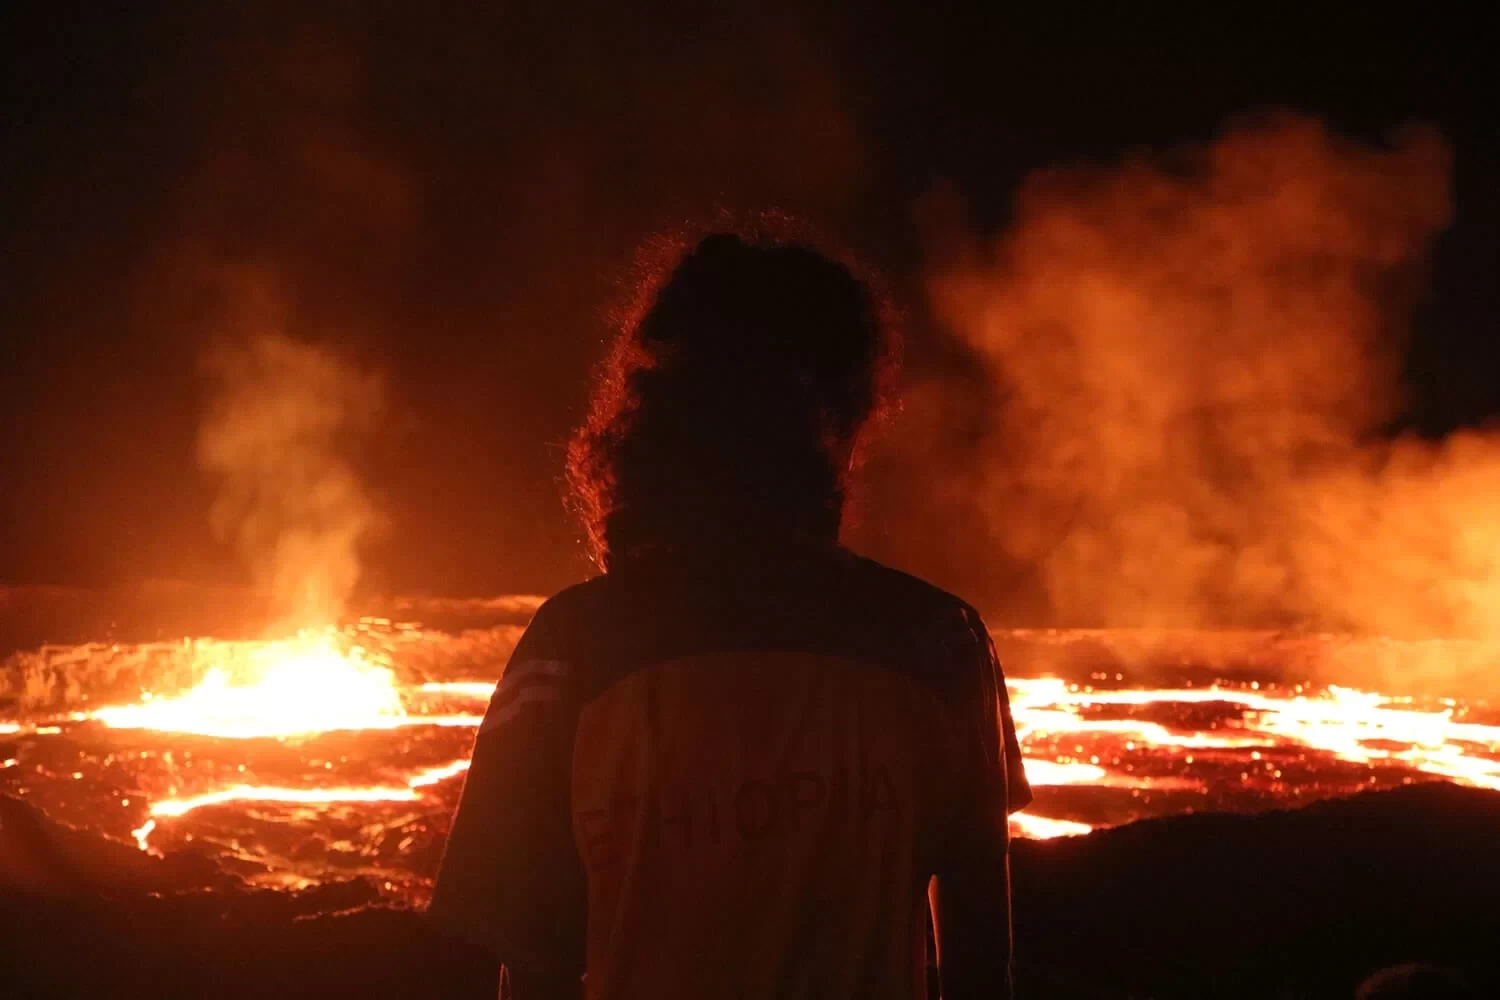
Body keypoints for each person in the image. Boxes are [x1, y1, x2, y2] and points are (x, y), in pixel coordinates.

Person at [428, 226, 1032, 999]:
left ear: (653, 412)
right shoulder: (939, 642)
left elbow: (534, 955)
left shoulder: (574, 649)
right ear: (847, 420)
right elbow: (982, 961)